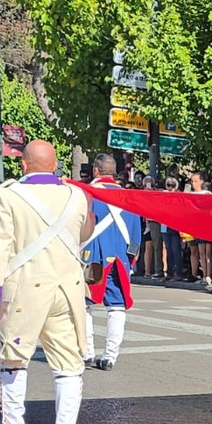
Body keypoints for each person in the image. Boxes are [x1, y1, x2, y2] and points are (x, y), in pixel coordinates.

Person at [0, 140, 94, 424]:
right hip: (67, 290)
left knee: (14, 358)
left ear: (24, 164)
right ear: (55, 164)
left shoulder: (8, 194)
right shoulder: (76, 194)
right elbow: (84, 235)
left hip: (25, 290)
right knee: (69, 365)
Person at [81, 154, 142, 371]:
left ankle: (87, 352)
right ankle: (110, 356)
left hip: (92, 256)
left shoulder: (86, 194)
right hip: (120, 259)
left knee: (84, 304)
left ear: (96, 171)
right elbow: (136, 234)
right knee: (116, 307)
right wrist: (130, 261)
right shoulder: (128, 196)